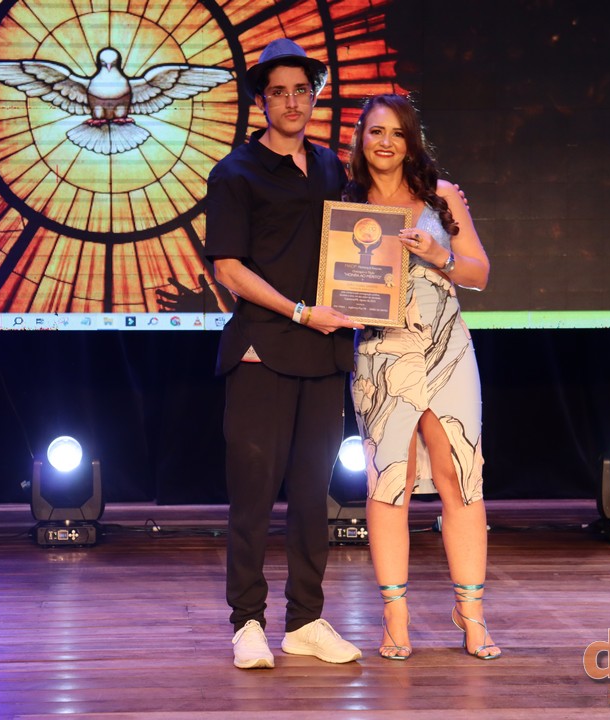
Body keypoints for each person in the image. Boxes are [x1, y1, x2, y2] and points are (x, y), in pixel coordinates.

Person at [204, 38, 365, 670]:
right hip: (262, 351)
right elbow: (228, 268)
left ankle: (306, 621)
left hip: (324, 354)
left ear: (314, 96)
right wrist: (299, 312)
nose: (292, 102)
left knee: (312, 498)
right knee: (252, 499)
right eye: (279, 92)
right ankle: (247, 622)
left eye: (302, 90)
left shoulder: (330, 169)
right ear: (261, 101)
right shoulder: (235, 173)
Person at [345, 94, 500, 661]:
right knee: (391, 481)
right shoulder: (345, 203)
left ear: (411, 141)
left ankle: (471, 612)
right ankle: (395, 617)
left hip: (447, 350)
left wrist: (439, 254)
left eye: (397, 133)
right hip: (382, 352)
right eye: (375, 132)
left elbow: (479, 273)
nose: (385, 142)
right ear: (360, 140)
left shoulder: (442, 196)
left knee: (460, 474)